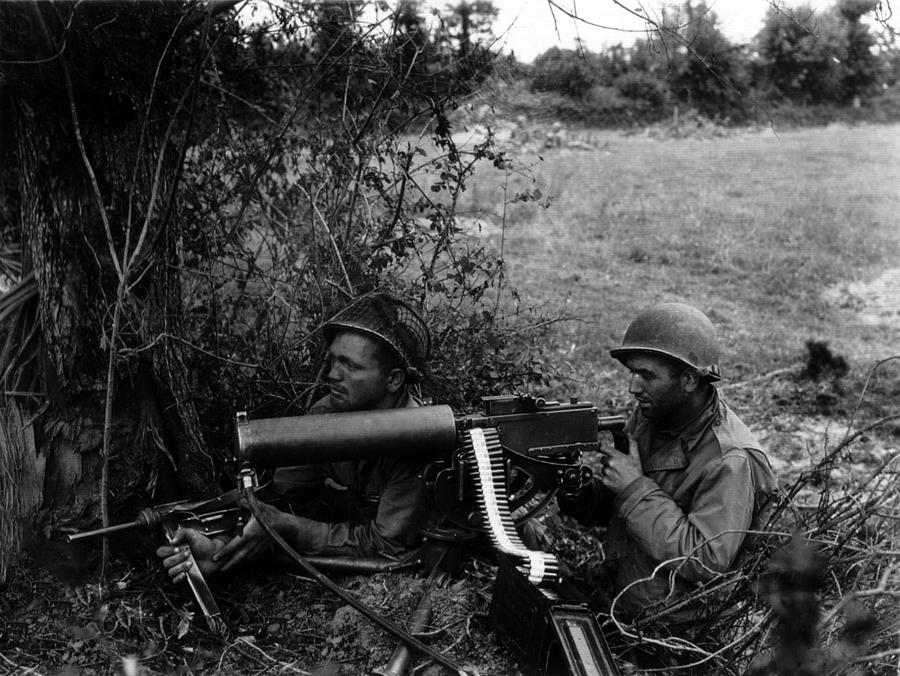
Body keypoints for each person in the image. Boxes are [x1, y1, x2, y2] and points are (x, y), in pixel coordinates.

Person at [158, 292, 433, 582]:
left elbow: (387, 548)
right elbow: (278, 499)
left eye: (349, 366)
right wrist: (220, 545)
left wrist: (289, 527)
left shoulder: (420, 444)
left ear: (393, 380)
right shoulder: (328, 413)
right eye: (333, 360)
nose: (331, 374)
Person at [558, 302, 777, 632]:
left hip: (674, 631)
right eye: (632, 373)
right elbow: (624, 512)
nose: (633, 387)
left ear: (689, 380)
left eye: (647, 376)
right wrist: (581, 493)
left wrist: (633, 487)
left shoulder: (731, 459)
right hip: (622, 600)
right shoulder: (654, 415)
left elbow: (705, 560)